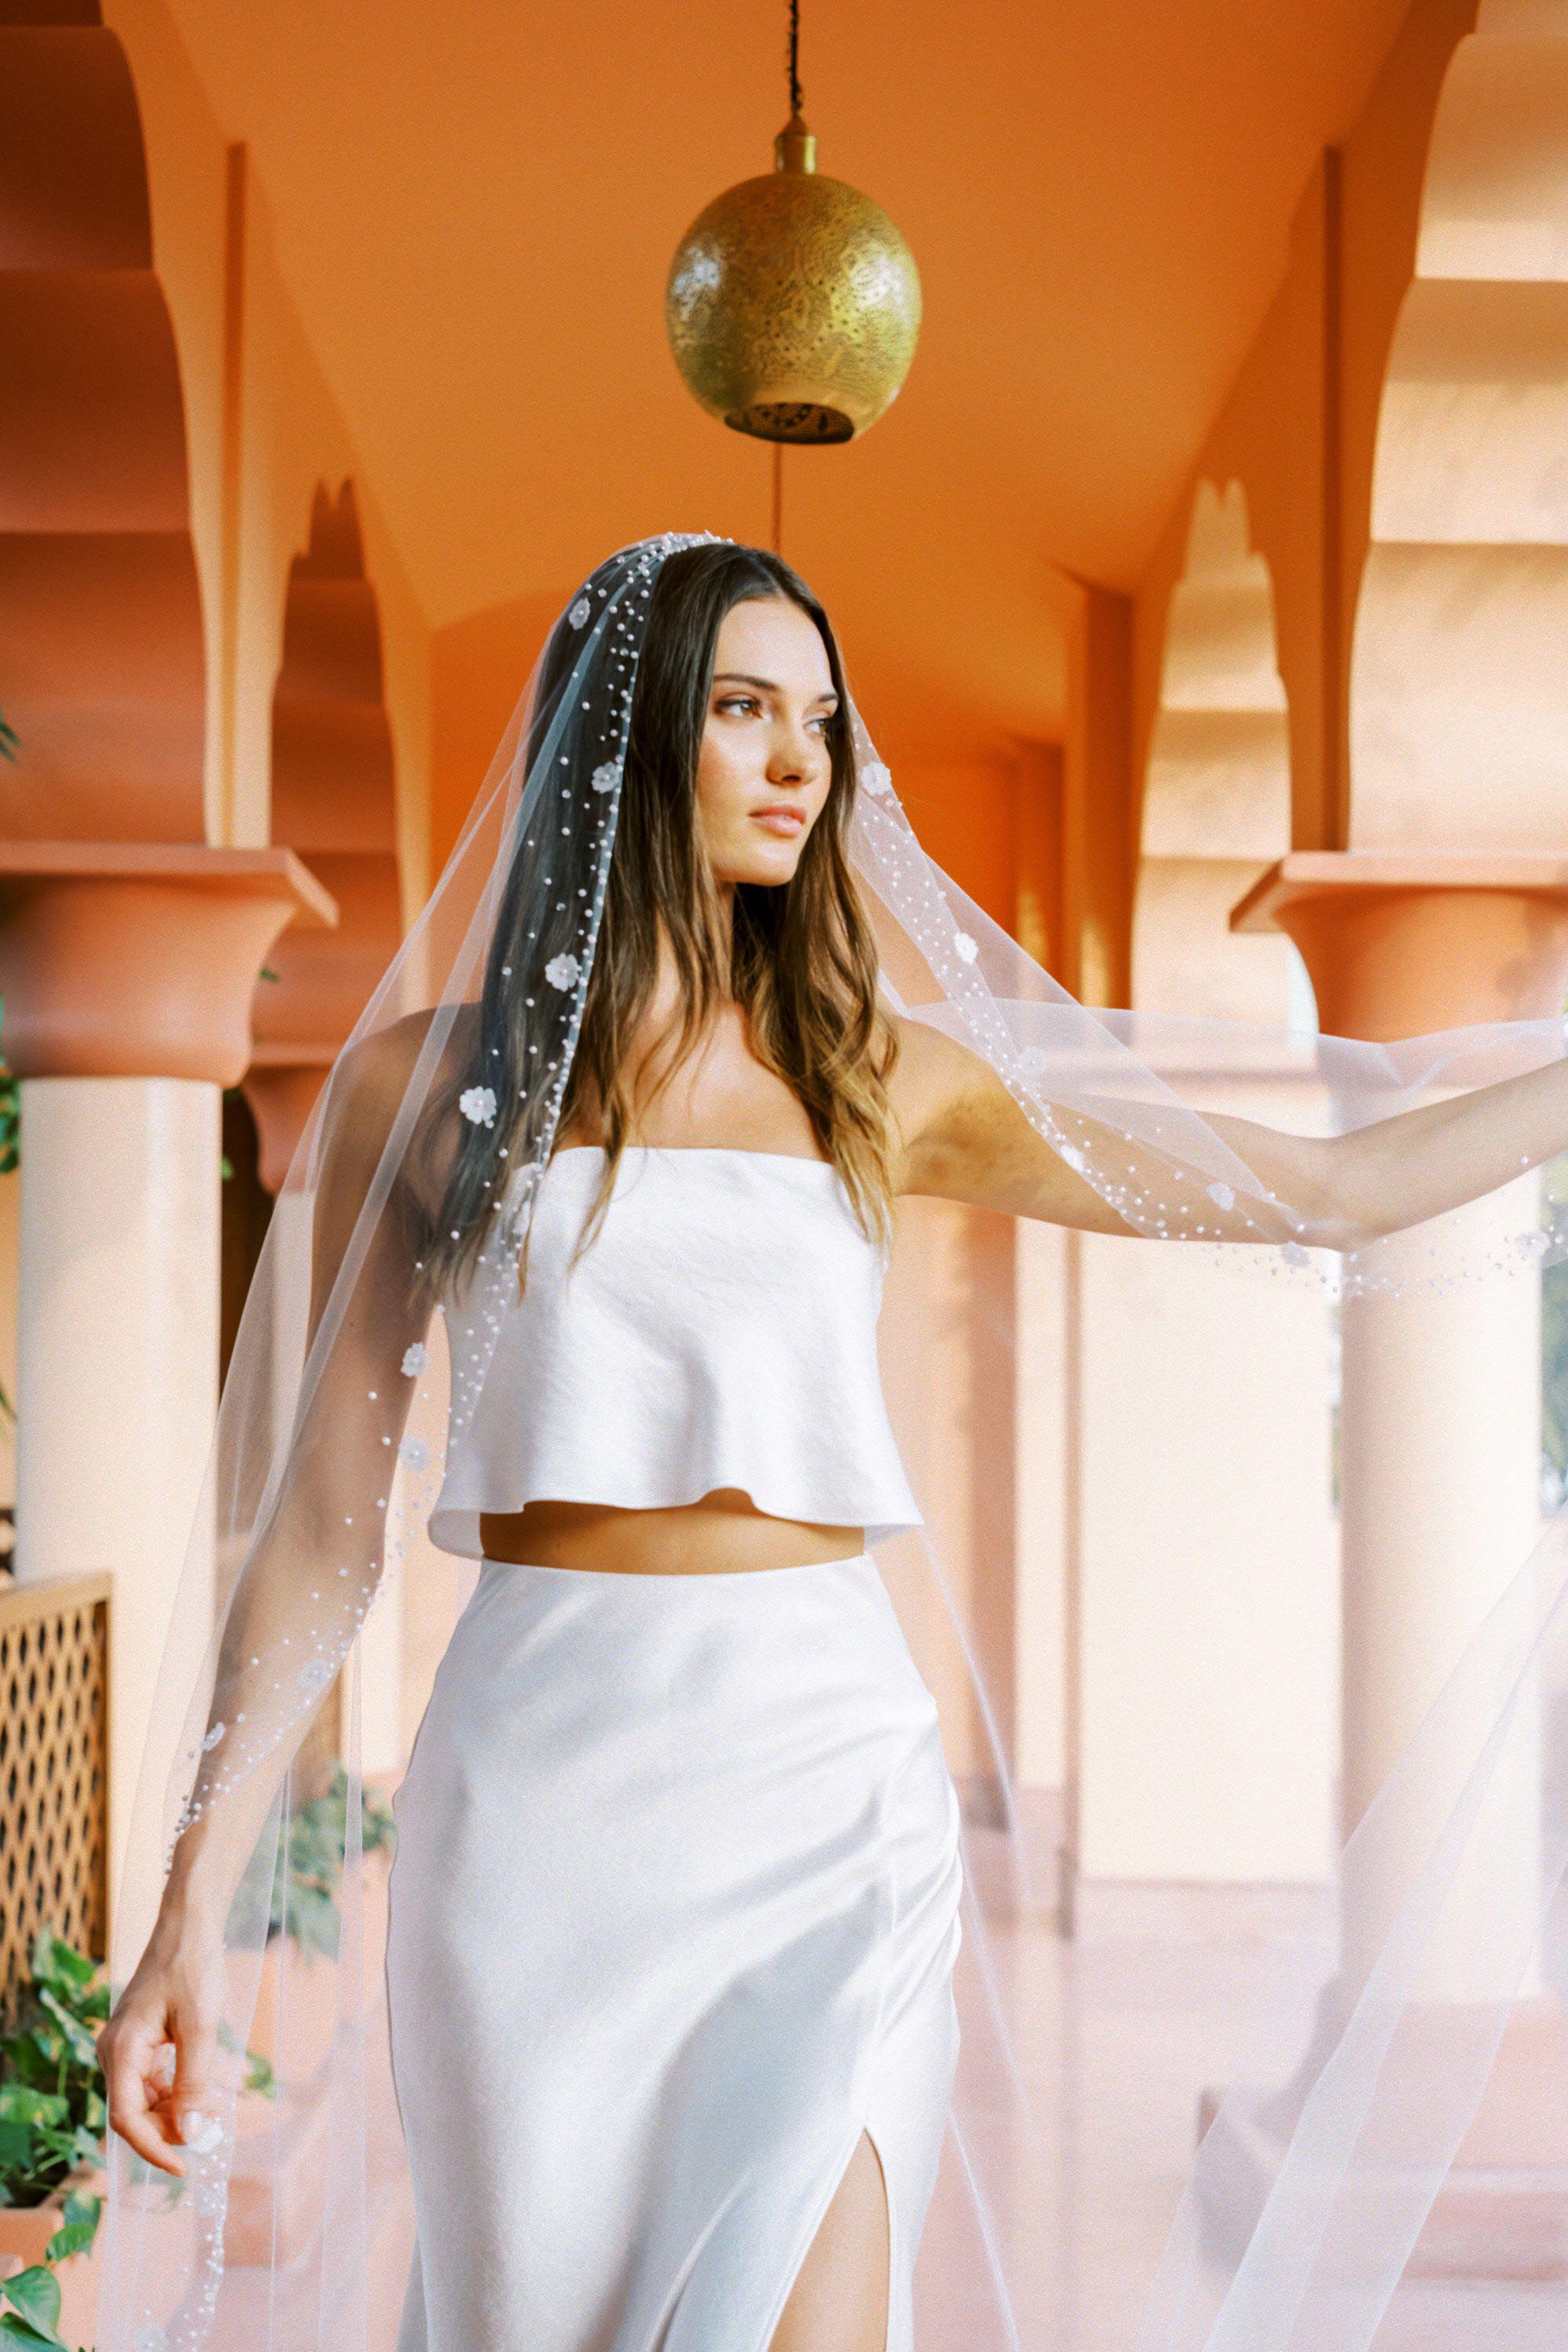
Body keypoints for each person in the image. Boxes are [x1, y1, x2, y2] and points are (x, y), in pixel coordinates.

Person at [93, 534, 1568, 2352]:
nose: (802, 764)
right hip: (539, 1801)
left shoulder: (886, 1074)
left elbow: (1335, 1189)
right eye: (740, 712)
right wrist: (181, 1919)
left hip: (822, 1777)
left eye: (818, 721)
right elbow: (318, 1534)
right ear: (627, 743)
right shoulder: (424, 1084)